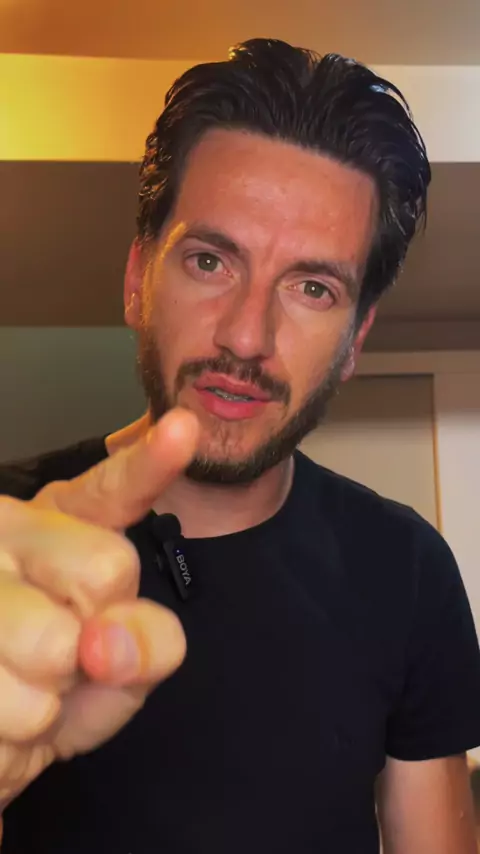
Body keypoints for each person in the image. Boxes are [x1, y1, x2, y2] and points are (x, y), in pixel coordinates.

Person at [0, 37, 479, 854]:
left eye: (313, 286)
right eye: (210, 261)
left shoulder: (408, 568)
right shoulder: (10, 535)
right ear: (137, 278)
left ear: (356, 340)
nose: (247, 336)